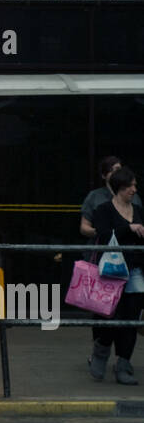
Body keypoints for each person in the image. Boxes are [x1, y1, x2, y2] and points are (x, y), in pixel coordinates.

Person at [80, 155, 142, 380]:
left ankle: (123, 365)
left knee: (131, 316)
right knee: (108, 315)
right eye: (131, 186)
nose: (134, 189)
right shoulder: (103, 208)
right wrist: (129, 228)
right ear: (120, 187)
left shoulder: (138, 208)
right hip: (110, 270)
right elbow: (103, 234)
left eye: (135, 185)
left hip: (134, 270)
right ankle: (101, 352)